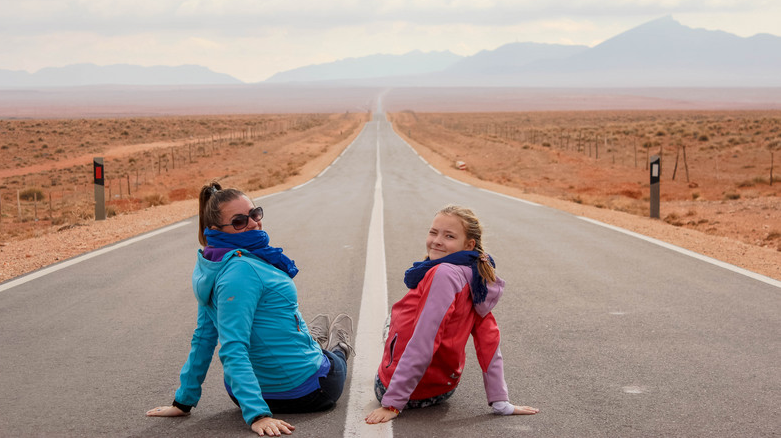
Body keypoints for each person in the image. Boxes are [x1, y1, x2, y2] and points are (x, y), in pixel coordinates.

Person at [147, 182, 355, 436]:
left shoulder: (211, 264)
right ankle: (338, 346)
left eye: (255, 214)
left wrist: (183, 401)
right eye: (239, 221)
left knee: (287, 330)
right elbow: (233, 347)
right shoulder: (242, 270)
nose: (254, 223)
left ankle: (313, 339)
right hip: (307, 391)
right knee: (333, 361)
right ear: (215, 229)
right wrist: (258, 415)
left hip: (241, 393)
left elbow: (204, 337)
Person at [365, 205, 539, 424]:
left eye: (449, 236)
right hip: (443, 390)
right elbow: (489, 341)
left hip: (405, 393)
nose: (437, 240)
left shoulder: (443, 274)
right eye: (433, 232)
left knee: (396, 318)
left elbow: (423, 342)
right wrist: (500, 400)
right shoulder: (478, 277)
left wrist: (392, 403)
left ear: (469, 245)